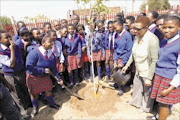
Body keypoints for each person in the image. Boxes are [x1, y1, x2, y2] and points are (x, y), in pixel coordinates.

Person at [122, 16, 159, 113]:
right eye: (134, 27)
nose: (135, 30)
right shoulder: (137, 37)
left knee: (147, 91)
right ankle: (135, 102)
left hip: (147, 71)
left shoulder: (152, 40)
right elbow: (133, 53)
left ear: (146, 28)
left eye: (138, 29)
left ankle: (145, 108)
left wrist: (149, 78)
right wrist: (127, 65)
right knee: (137, 86)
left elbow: (154, 60)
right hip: (138, 69)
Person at [151, 15, 180, 120]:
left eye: (171, 27)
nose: (166, 30)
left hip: (169, 80)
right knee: (160, 102)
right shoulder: (164, 41)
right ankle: (158, 117)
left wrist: (170, 88)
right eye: (164, 27)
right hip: (160, 76)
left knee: (164, 104)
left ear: (179, 27)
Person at [26, 35, 63, 116]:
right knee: (34, 94)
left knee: (48, 91)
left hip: (45, 77)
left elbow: (54, 69)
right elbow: (29, 67)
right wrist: (42, 70)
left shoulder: (51, 54)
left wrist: (59, 78)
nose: (52, 44)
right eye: (49, 42)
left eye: (52, 42)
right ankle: (35, 107)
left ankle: (52, 104)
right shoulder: (34, 53)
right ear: (43, 43)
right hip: (34, 77)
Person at [0, 30, 31, 119]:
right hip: (10, 75)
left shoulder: (15, 46)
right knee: (16, 93)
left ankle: (28, 104)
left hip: (20, 71)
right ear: (0, 40)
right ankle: (22, 110)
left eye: (10, 36)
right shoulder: (2, 51)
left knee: (25, 88)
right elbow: (12, 64)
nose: (10, 39)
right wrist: (12, 50)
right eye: (6, 37)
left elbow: (20, 58)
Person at [112, 18, 133, 96]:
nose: (115, 30)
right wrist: (115, 60)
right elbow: (115, 49)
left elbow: (129, 50)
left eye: (116, 28)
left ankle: (122, 88)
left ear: (121, 25)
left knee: (123, 74)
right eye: (113, 28)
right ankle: (117, 84)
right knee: (117, 72)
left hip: (124, 58)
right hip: (118, 57)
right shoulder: (116, 35)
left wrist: (123, 62)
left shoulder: (127, 35)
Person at [64, 24, 82, 89]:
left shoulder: (77, 37)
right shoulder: (65, 38)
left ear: (74, 29)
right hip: (69, 56)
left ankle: (76, 81)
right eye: (69, 29)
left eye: (72, 29)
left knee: (76, 69)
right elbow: (64, 48)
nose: (71, 30)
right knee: (69, 70)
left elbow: (79, 47)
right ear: (67, 30)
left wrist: (79, 57)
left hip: (76, 55)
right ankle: (71, 82)